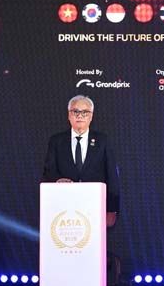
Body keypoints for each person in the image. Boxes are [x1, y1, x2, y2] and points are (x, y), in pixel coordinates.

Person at [42, 95, 120, 227]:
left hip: (94, 206)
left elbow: (112, 175)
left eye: (85, 112)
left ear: (91, 116)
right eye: (75, 111)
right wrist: (58, 180)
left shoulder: (103, 140)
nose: (80, 116)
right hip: (63, 206)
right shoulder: (56, 141)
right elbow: (49, 171)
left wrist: (112, 209)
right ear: (69, 115)